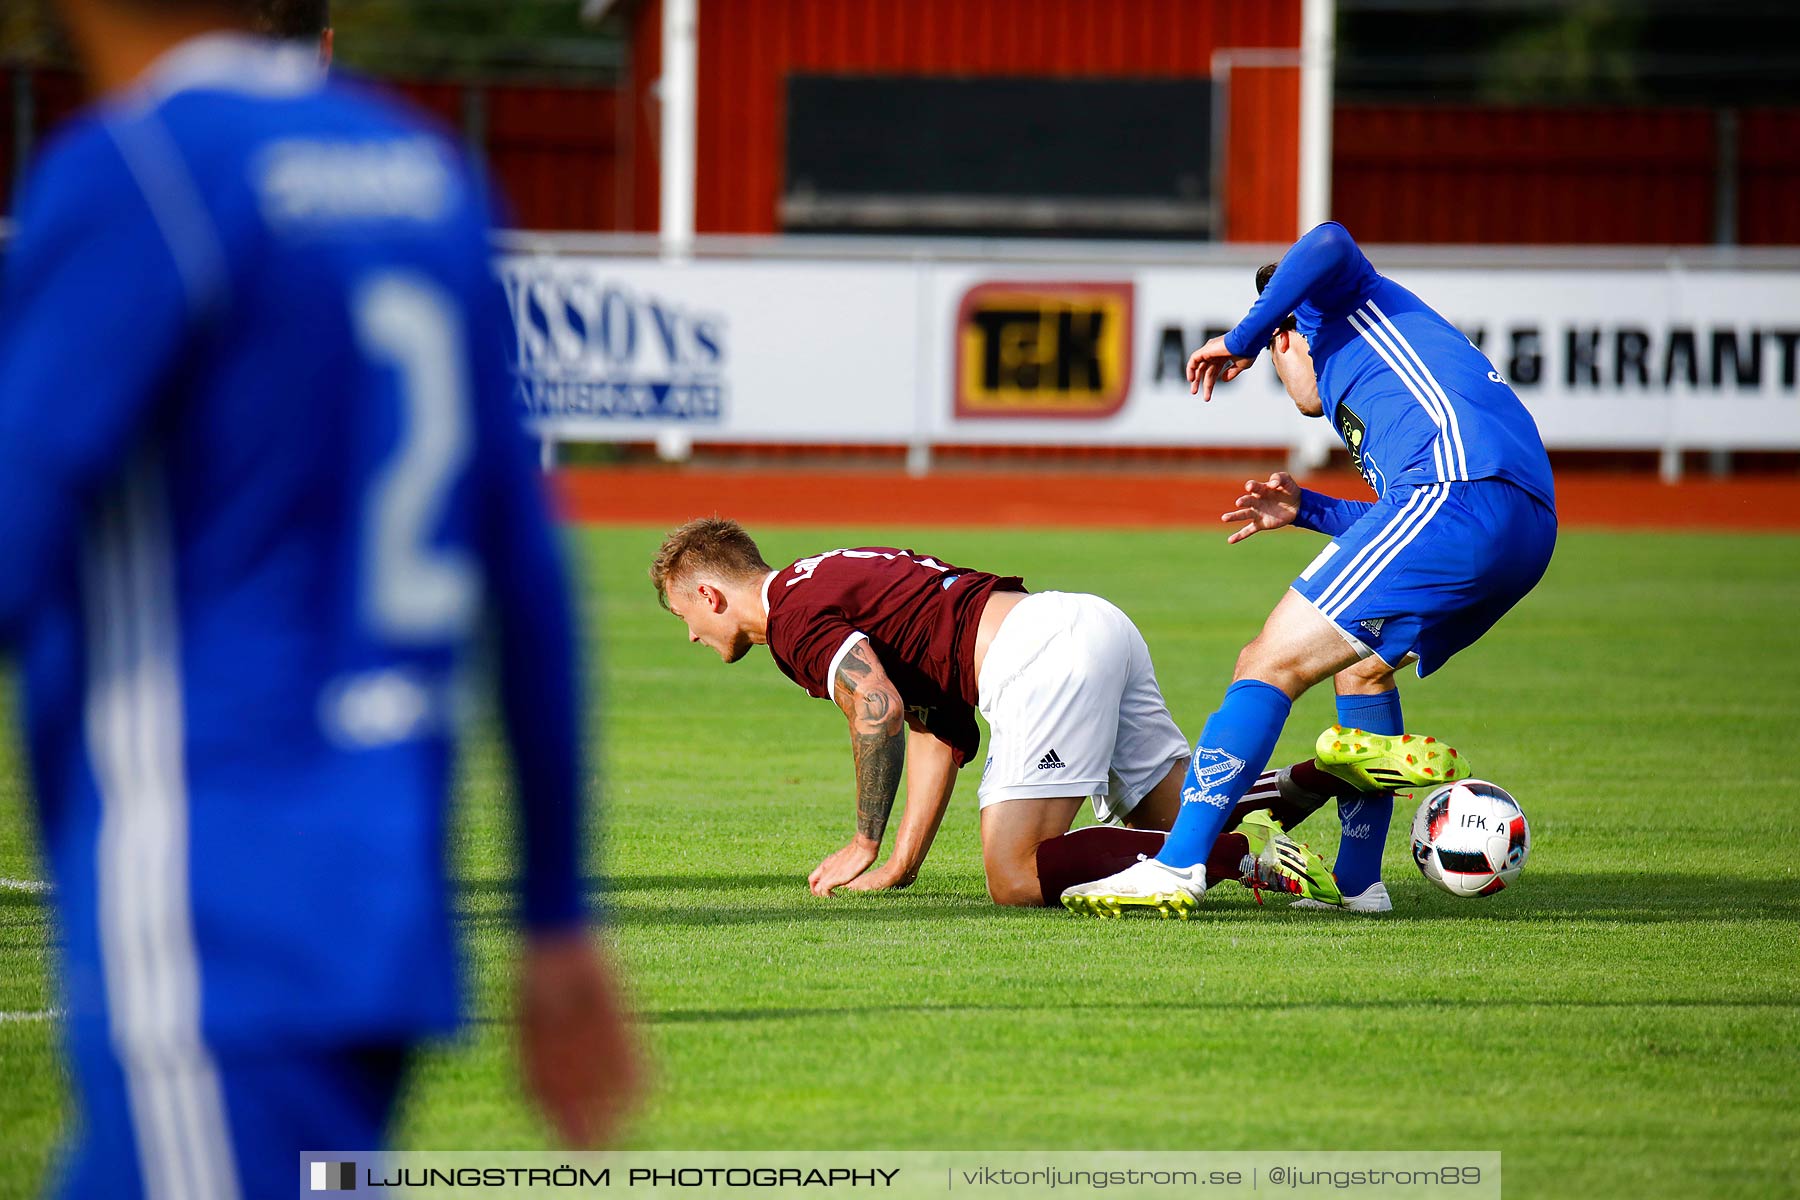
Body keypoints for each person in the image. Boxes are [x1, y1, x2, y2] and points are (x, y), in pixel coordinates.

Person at [0, 1, 640, 1195]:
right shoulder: (424, 173)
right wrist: (555, 912)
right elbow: (528, 576)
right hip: (382, 896)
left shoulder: (136, 172)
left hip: (208, 899)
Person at [1065, 221, 1555, 918]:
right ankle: (1359, 884)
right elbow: (1414, 532)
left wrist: (1237, 337)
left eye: (1269, 354)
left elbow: (1327, 239)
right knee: (1362, 668)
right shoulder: (1384, 387)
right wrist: (1311, 510)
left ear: (1283, 336)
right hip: (1514, 526)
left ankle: (1176, 866)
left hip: (1463, 494)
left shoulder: (1335, 303)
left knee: (1267, 662)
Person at [649, 518, 1459, 909]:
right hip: (1088, 622)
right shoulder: (823, 576)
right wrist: (900, 861)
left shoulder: (792, 621)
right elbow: (941, 729)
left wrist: (863, 838)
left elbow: (877, 707)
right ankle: (1330, 770)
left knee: (1016, 877)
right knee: (1177, 817)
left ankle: (1245, 860)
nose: (689, 633)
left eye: (687, 615)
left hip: (1039, 660)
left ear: (713, 593)